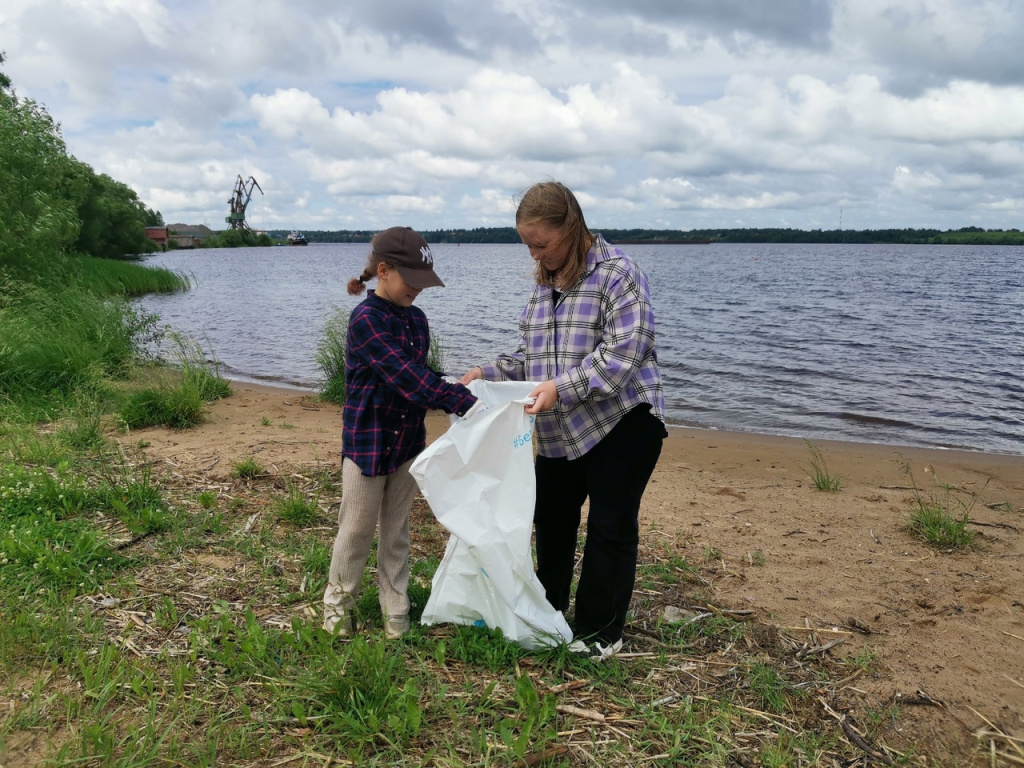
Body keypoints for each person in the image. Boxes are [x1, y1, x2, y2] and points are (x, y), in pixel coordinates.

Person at [462, 181, 667, 655]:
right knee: (551, 520)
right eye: (527, 244)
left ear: (571, 228)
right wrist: (486, 372)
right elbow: (529, 359)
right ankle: (547, 618)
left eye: (542, 244)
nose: (535, 254)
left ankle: (600, 635)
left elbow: (624, 355)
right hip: (560, 430)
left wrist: (561, 388)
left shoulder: (619, 273)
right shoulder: (543, 284)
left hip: (624, 420)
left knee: (610, 527)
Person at [324, 226, 485, 639]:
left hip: (408, 443)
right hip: (367, 445)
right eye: (412, 281)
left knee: (396, 533)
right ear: (383, 271)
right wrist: (458, 400)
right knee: (356, 530)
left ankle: (395, 610)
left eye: (424, 282)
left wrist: (453, 384)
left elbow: (420, 373)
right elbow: (404, 376)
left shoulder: (417, 320)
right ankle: (337, 607)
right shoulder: (365, 319)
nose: (419, 289)